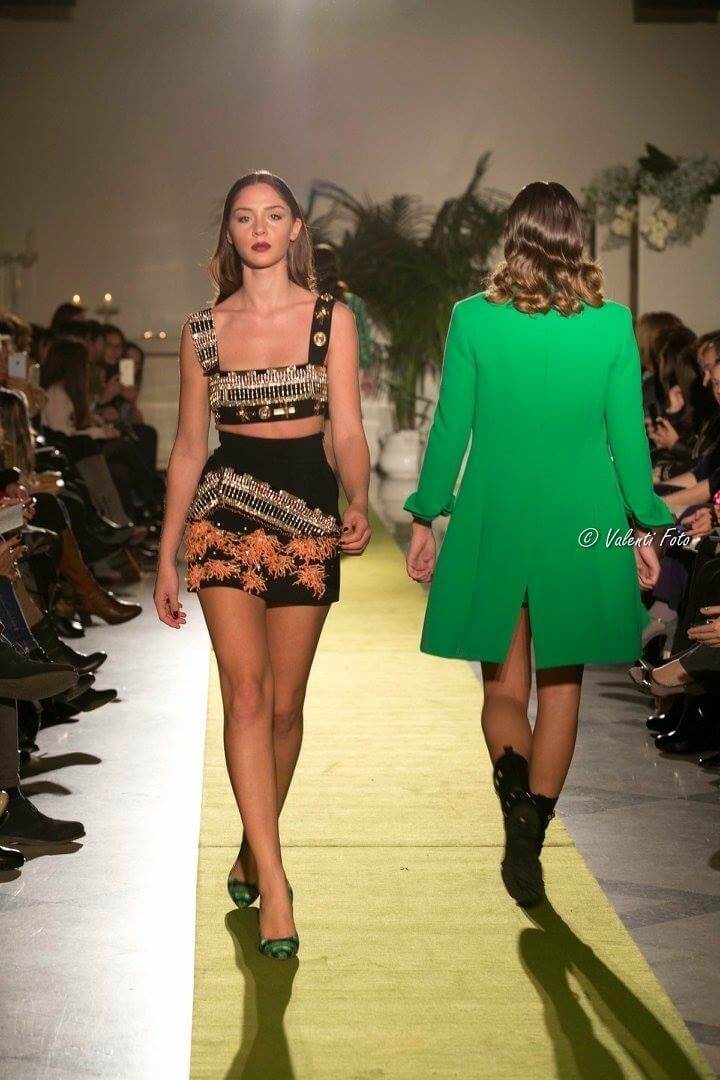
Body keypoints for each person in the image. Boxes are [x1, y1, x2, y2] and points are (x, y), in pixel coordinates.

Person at [403, 180, 677, 908]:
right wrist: (643, 523)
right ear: (576, 239)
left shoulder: (473, 318)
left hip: (496, 513)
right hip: (581, 517)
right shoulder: (611, 324)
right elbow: (626, 438)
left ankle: (515, 799)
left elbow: (451, 426)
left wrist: (427, 514)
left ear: (512, 236)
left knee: (503, 688)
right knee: (562, 689)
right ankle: (532, 833)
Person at [154, 170, 371, 959]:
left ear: (294, 229)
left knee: (284, 707)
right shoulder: (202, 331)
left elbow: (345, 428)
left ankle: (254, 844)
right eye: (244, 216)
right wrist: (167, 553)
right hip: (224, 515)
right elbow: (188, 446)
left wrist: (359, 495)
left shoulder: (330, 320)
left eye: (273, 215)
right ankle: (276, 884)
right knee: (246, 696)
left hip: (309, 514)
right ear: (230, 231)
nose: (259, 228)